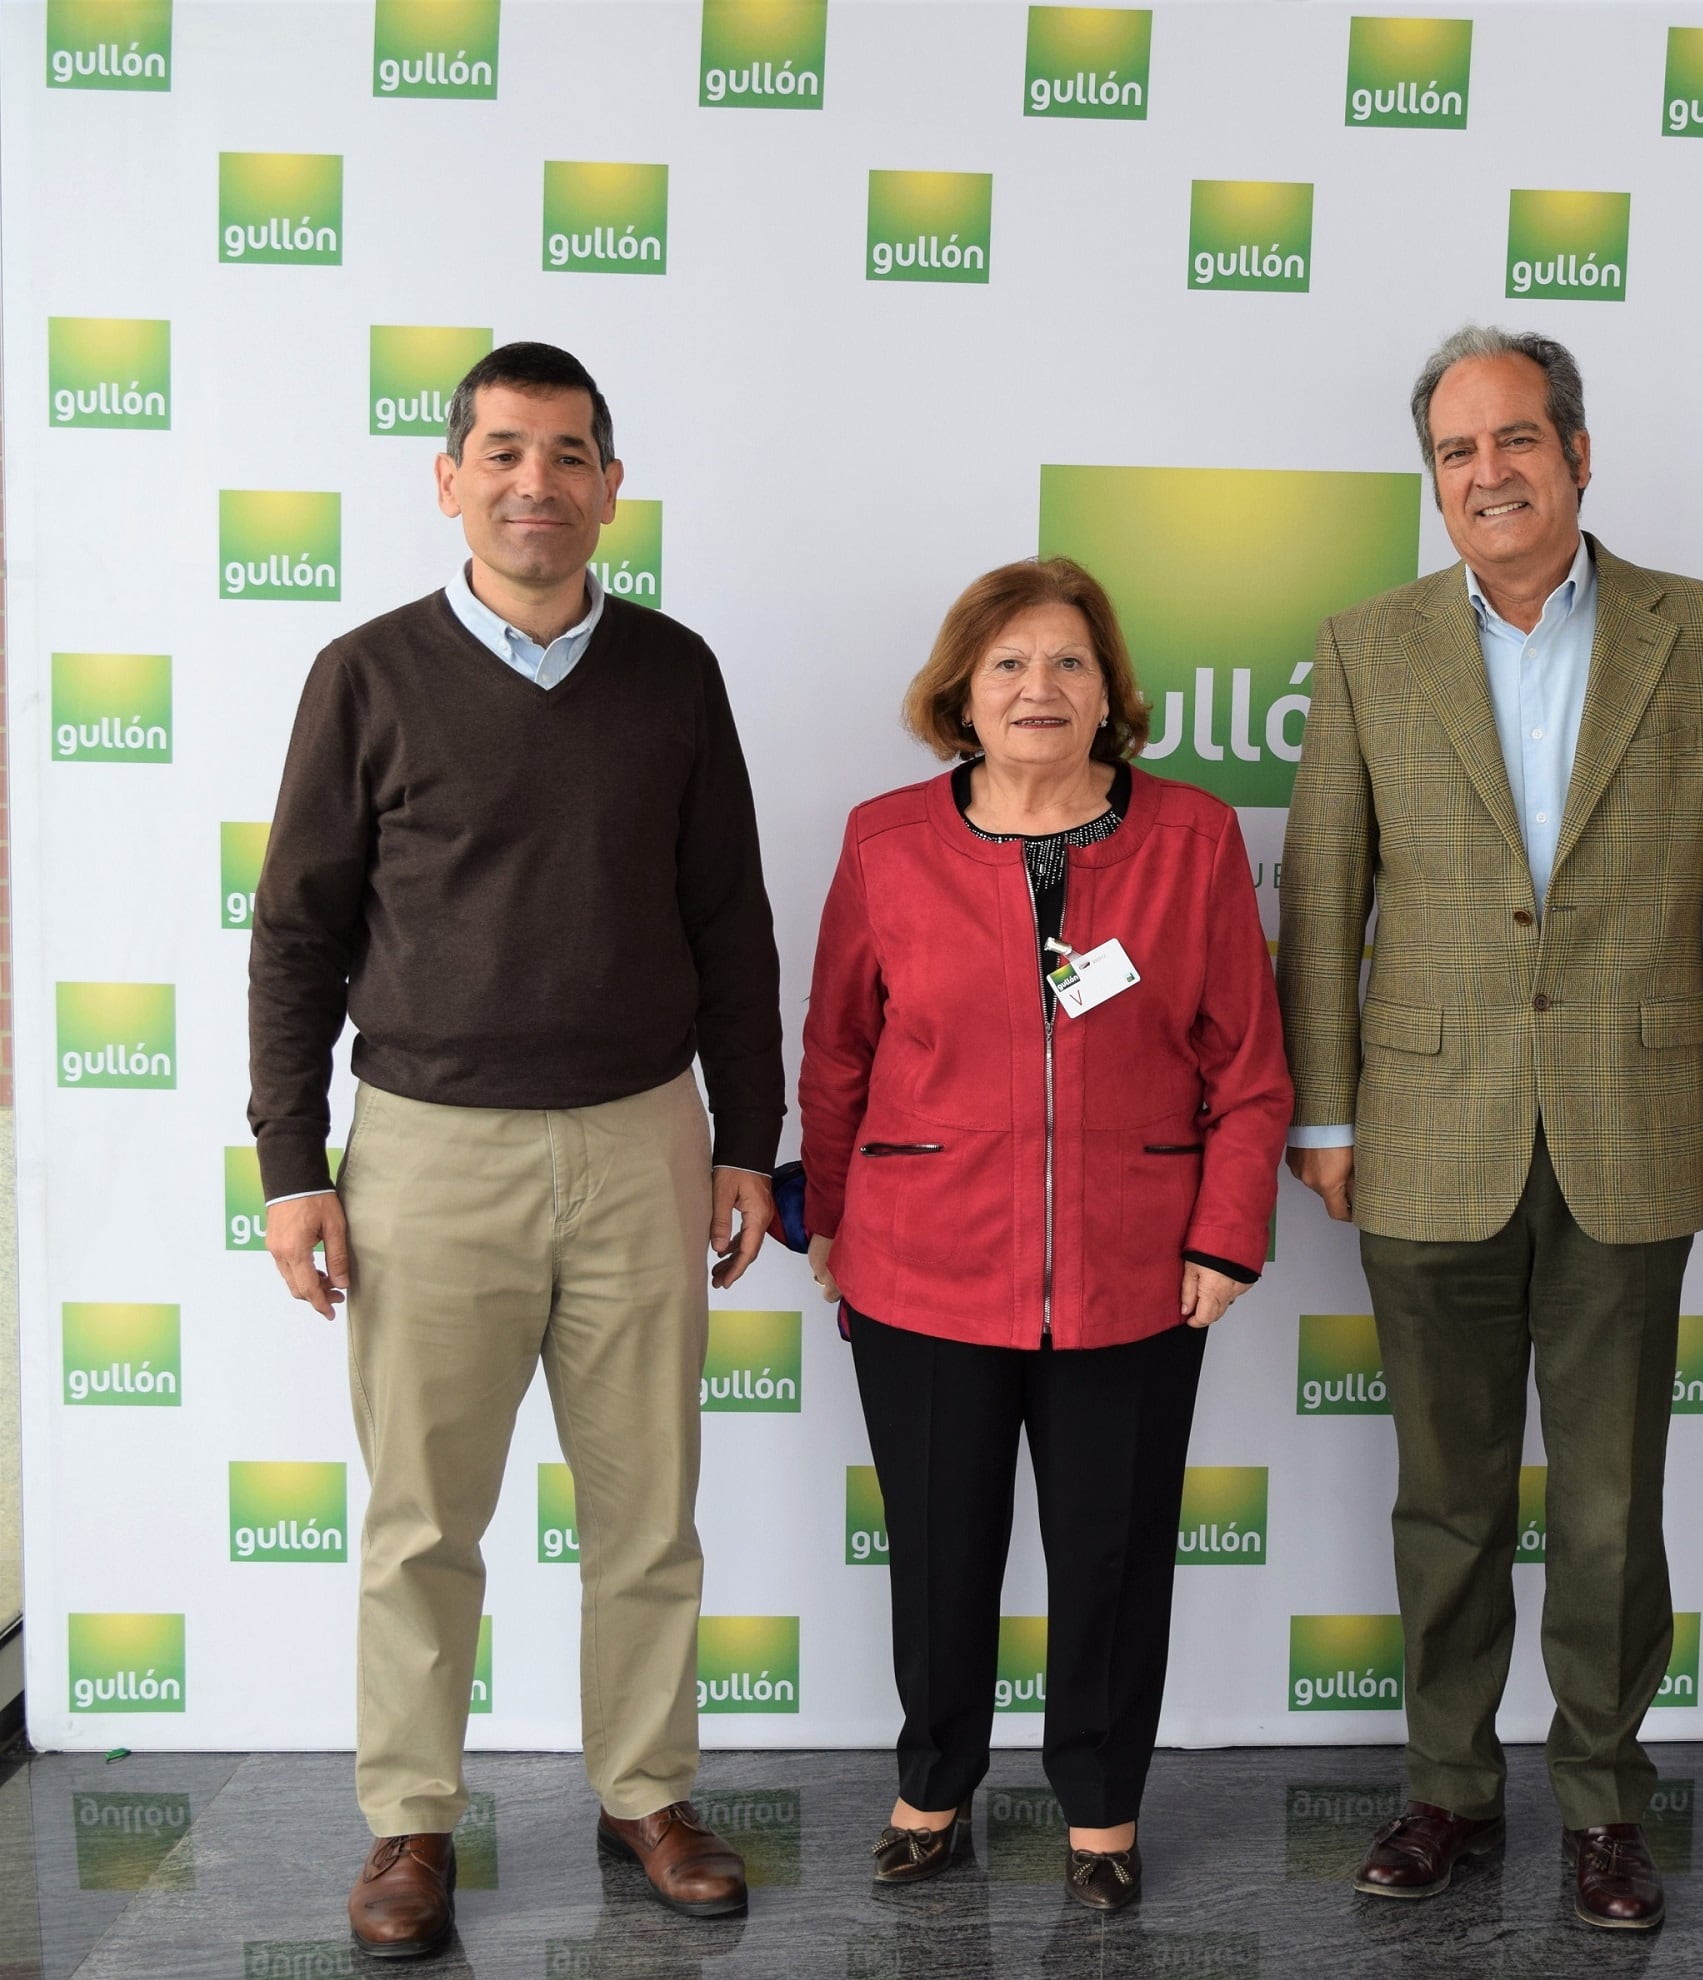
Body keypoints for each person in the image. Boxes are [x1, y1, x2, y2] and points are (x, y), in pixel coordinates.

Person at [249, 342, 783, 1959]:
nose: (534, 484)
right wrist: (292, 1163)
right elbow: (295, 935)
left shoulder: (676, 674)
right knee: (423, 1521)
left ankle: (646, 1795)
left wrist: (745, 1140)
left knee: (649, 1511)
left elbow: (729, 923)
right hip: (425, 1151)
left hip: (640, 1141)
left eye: (567, 456)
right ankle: (412, 1827)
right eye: (501, 454)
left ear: (611, 489)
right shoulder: (366, 673)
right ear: (450, 480)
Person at [1277, 326, 1703, 1933]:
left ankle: (1601, 1803)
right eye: (1454, 451)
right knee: (1445, 1497)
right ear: (1431, 480)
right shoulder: (1368, 646)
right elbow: (1322, 899)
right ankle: (1445, 1789)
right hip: (1425, 1130)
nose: (1486, 473)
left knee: (1608, 1502)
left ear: (1578, 452)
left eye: (1515, 440)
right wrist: (1327, 1110)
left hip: (1639, 1126)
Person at [798, 558, 1291, 1912]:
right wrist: (831, 1216)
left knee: (1113, 1556)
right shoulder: (885, 840)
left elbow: (1249, 1063)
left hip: (1135, 1275)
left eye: (1068, 662)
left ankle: (1102, 1806)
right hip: (922, 1266)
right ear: (961, 689)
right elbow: (837, 1049)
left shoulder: (1190, 840)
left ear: (1110, 693)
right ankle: (933, 1785)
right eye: (1009, 662)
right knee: (942, 1550)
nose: (1039, 687)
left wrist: (1226, 1234)